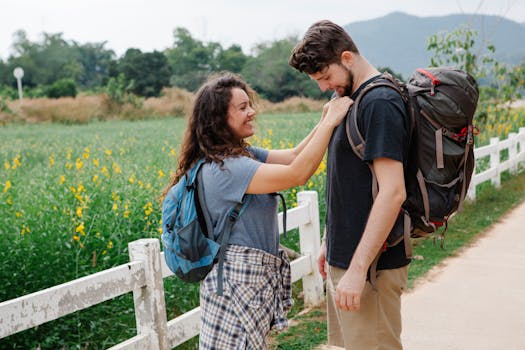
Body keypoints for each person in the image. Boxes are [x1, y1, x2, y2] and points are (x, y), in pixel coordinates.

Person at [161, 72, 351, 349]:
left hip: (247, 280)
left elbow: (295, 155)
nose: (251, 112)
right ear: (218, 118)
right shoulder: (226, 169)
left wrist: (325, 118)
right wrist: (332, 121)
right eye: (242, 108)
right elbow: (298, 173)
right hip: (237, 281)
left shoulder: (240, 156)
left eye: (249, 104)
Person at [289, 20, 411, 349]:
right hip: (348, 258)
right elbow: (349, 178)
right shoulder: (351, 99)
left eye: (325, 77)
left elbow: (393, 191)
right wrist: (332, 239)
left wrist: (358, 271)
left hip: (371, 268)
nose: (324, 87)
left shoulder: (380, 103)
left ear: (346, 57)